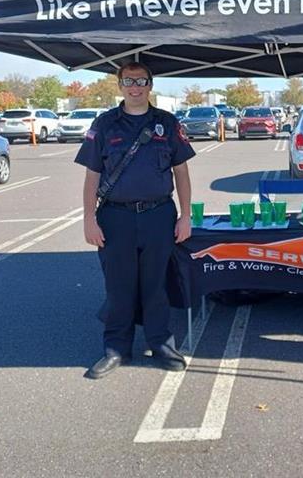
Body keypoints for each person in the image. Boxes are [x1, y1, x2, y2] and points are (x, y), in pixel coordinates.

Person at [75, 61, 195, 378]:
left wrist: (186, 216)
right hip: (115, 217)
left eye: (141, 81)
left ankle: (161, 345)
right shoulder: (104, 124)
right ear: (120, 86)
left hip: (159, 214)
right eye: (129, 81)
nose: (135, 87)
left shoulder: (167, 123)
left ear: (150, 85)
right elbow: (92, 177)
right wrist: (89, 218)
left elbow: (181, 172)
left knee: (156, 285)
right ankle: (116, 349)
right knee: (119, 286)